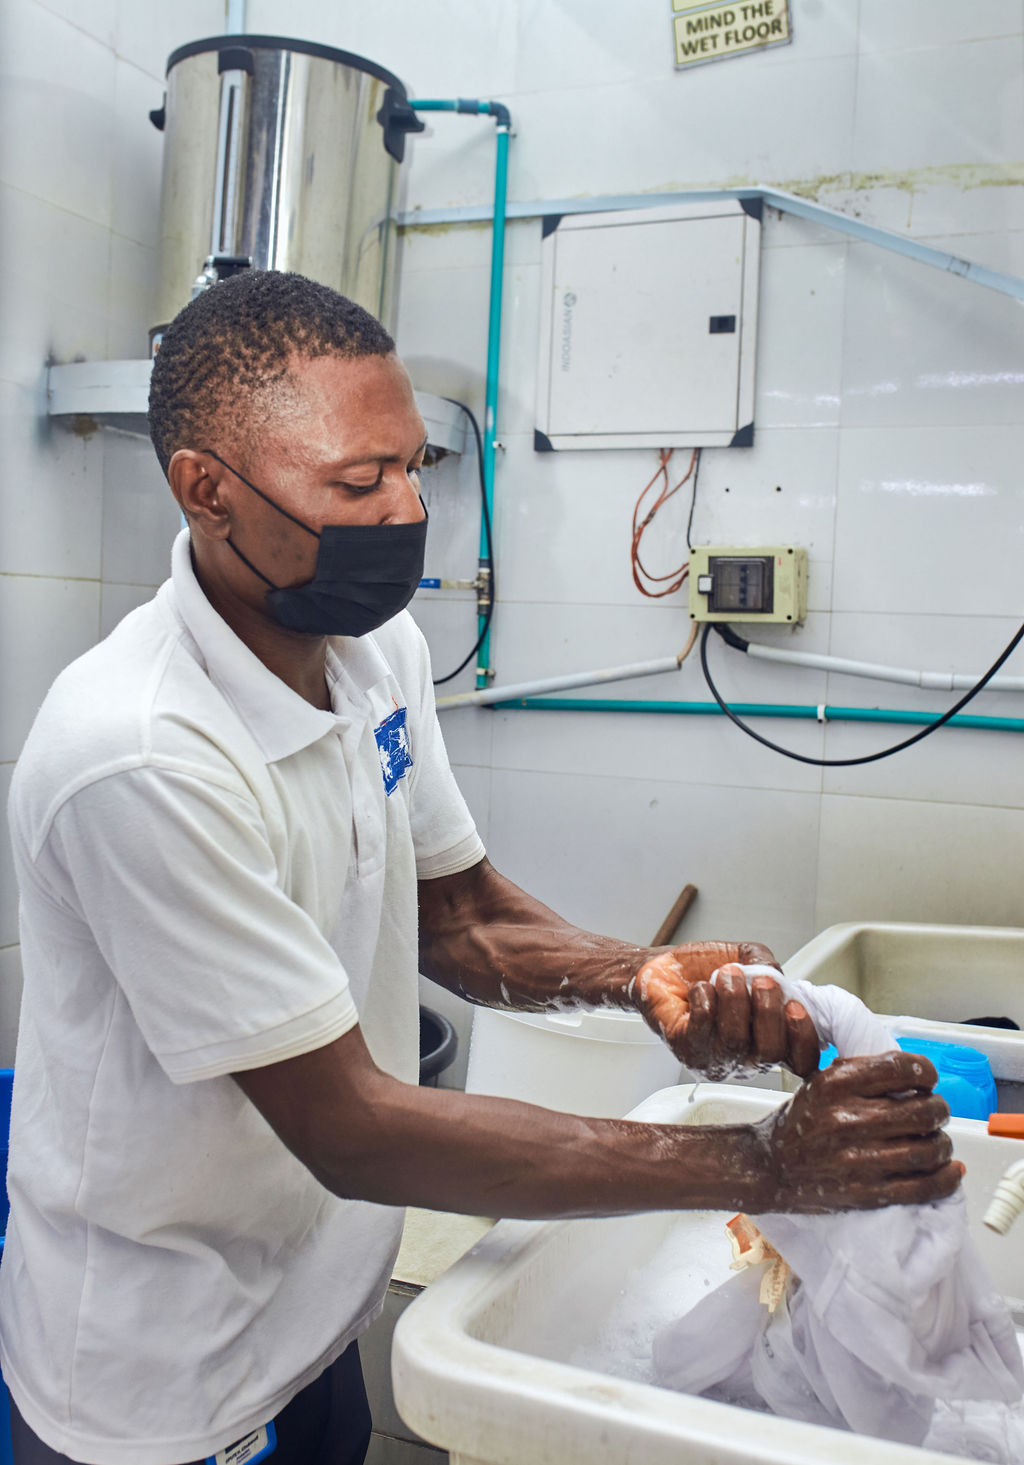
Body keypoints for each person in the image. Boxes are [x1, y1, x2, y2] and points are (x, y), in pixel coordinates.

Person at [0, 270, 960, 1465]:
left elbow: (460, 916)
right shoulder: (138, 756)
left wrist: (643, 975)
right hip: (159, 1371)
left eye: (416, 469)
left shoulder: (370, 647)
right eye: (359, 483)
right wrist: (761, 1166)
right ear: (207, 490)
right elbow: (349, 1126)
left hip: (312, 1309)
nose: (405, 512)